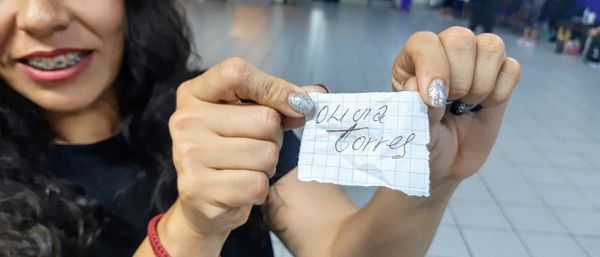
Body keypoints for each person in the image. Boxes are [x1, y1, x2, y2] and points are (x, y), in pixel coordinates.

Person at [0, 1, 521, 257]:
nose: (42, 16)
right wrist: (191, 230)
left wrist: (428, 180)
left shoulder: (221, 114)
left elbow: (343, 248)